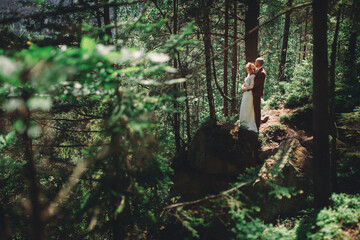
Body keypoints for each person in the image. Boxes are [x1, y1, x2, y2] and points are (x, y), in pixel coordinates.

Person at [239, 62, 258, 132]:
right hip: (245, 93)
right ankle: (243, 122)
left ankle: (247, 123)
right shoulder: (248, 74)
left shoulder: (253, 76)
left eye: (248, 69)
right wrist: (242, 86)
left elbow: (252, 86)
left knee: (247, 107)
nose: (247, 70)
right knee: (244, 106)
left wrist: (245, 88)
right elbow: (245, 83)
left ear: (251, 69)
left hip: (249, 93)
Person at [251, 57, 266, 131]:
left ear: (258, 63)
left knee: (257, 109)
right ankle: (254, 122)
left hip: (257, 93)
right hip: (254, 92)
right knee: (254, 108)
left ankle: (257, 124)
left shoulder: (262, 73)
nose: (254, 63)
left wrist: (248, 87)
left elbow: (256, 84)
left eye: (255, 62)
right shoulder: (257, 70)